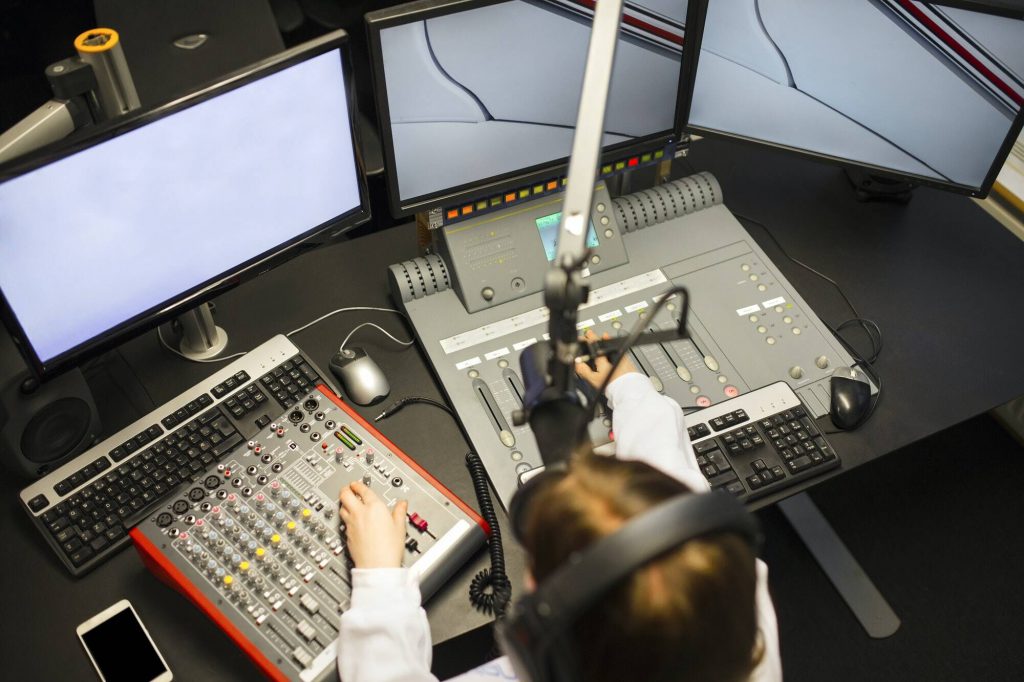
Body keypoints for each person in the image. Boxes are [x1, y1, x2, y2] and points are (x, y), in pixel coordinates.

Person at [336, 336, 782, 682]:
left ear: (543, 641)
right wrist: (631, 391)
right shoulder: (738, 610)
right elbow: (676, 502)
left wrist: (379, 576)